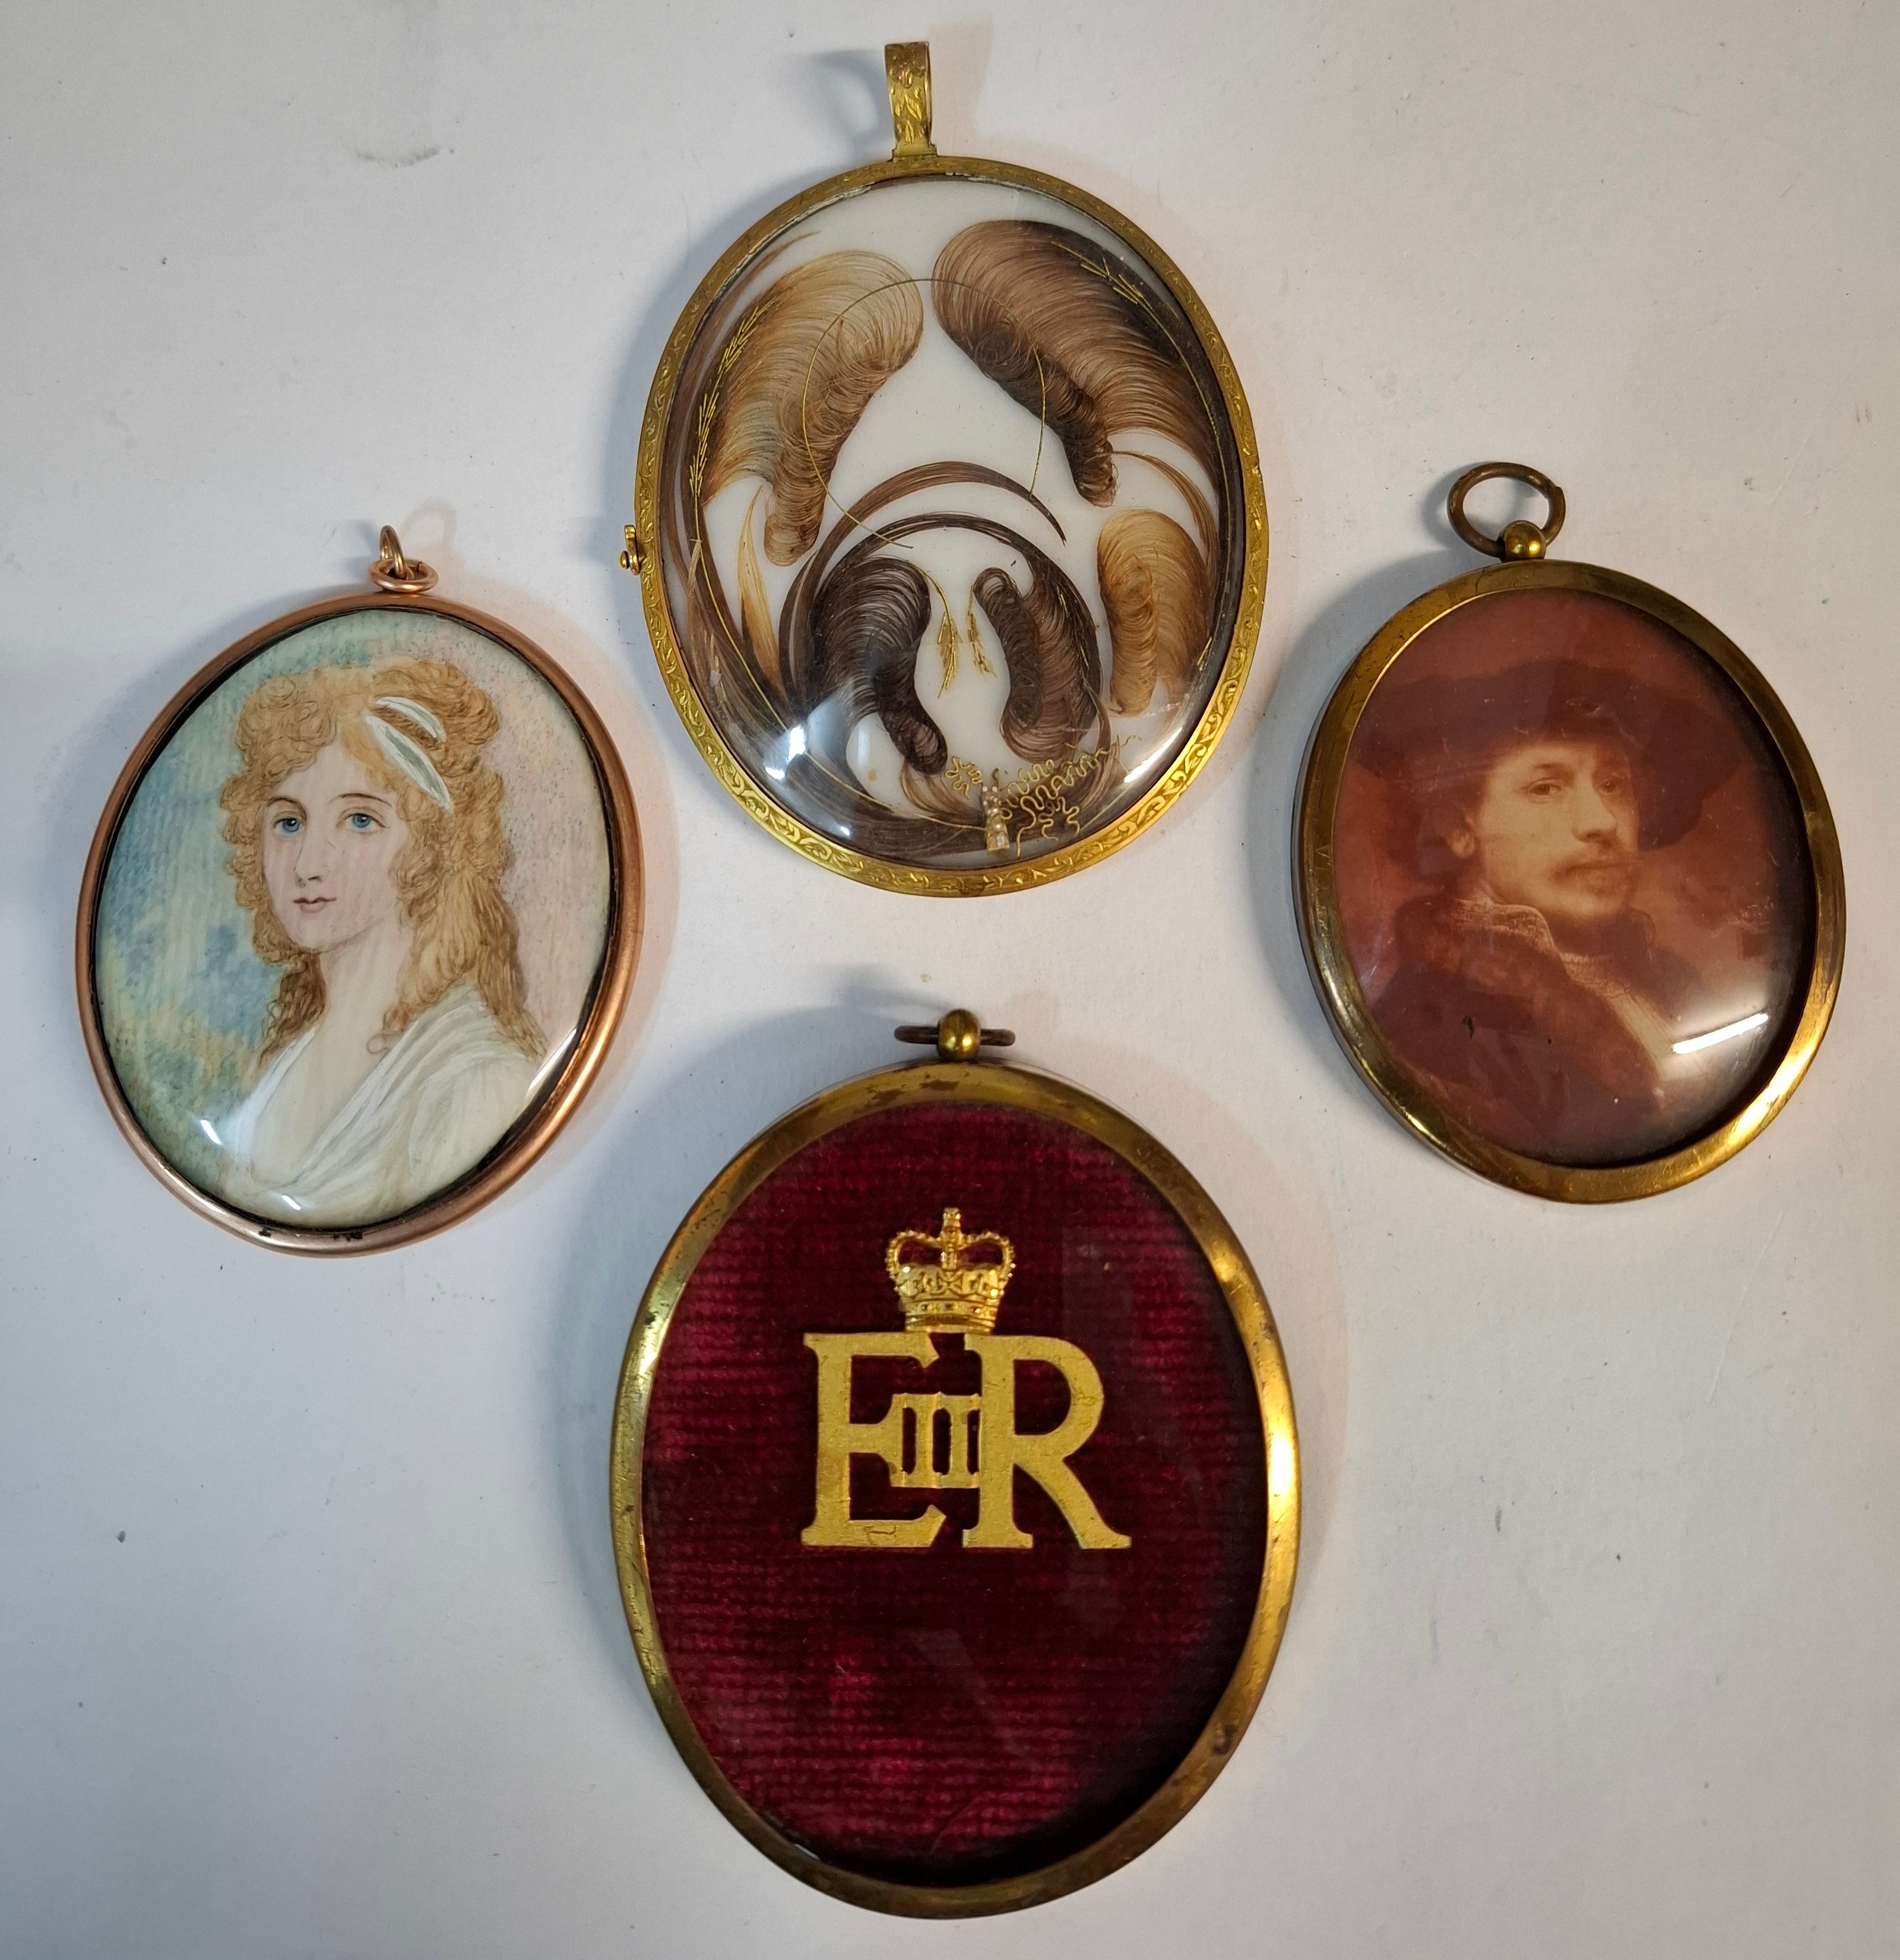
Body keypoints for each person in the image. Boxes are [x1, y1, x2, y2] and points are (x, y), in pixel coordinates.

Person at [1353, 655, 1746, 1164]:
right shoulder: (1431, 1020)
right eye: (1545, 788)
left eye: (1613, 784)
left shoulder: (1673, 982)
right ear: (1458, 826)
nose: (1601, 821)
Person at [211, 658, 542, 1224]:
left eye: (359, 820)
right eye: (289, 823)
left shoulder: (472, 1079)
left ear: (432, 844)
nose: (309, 864)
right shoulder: (283, 1056)